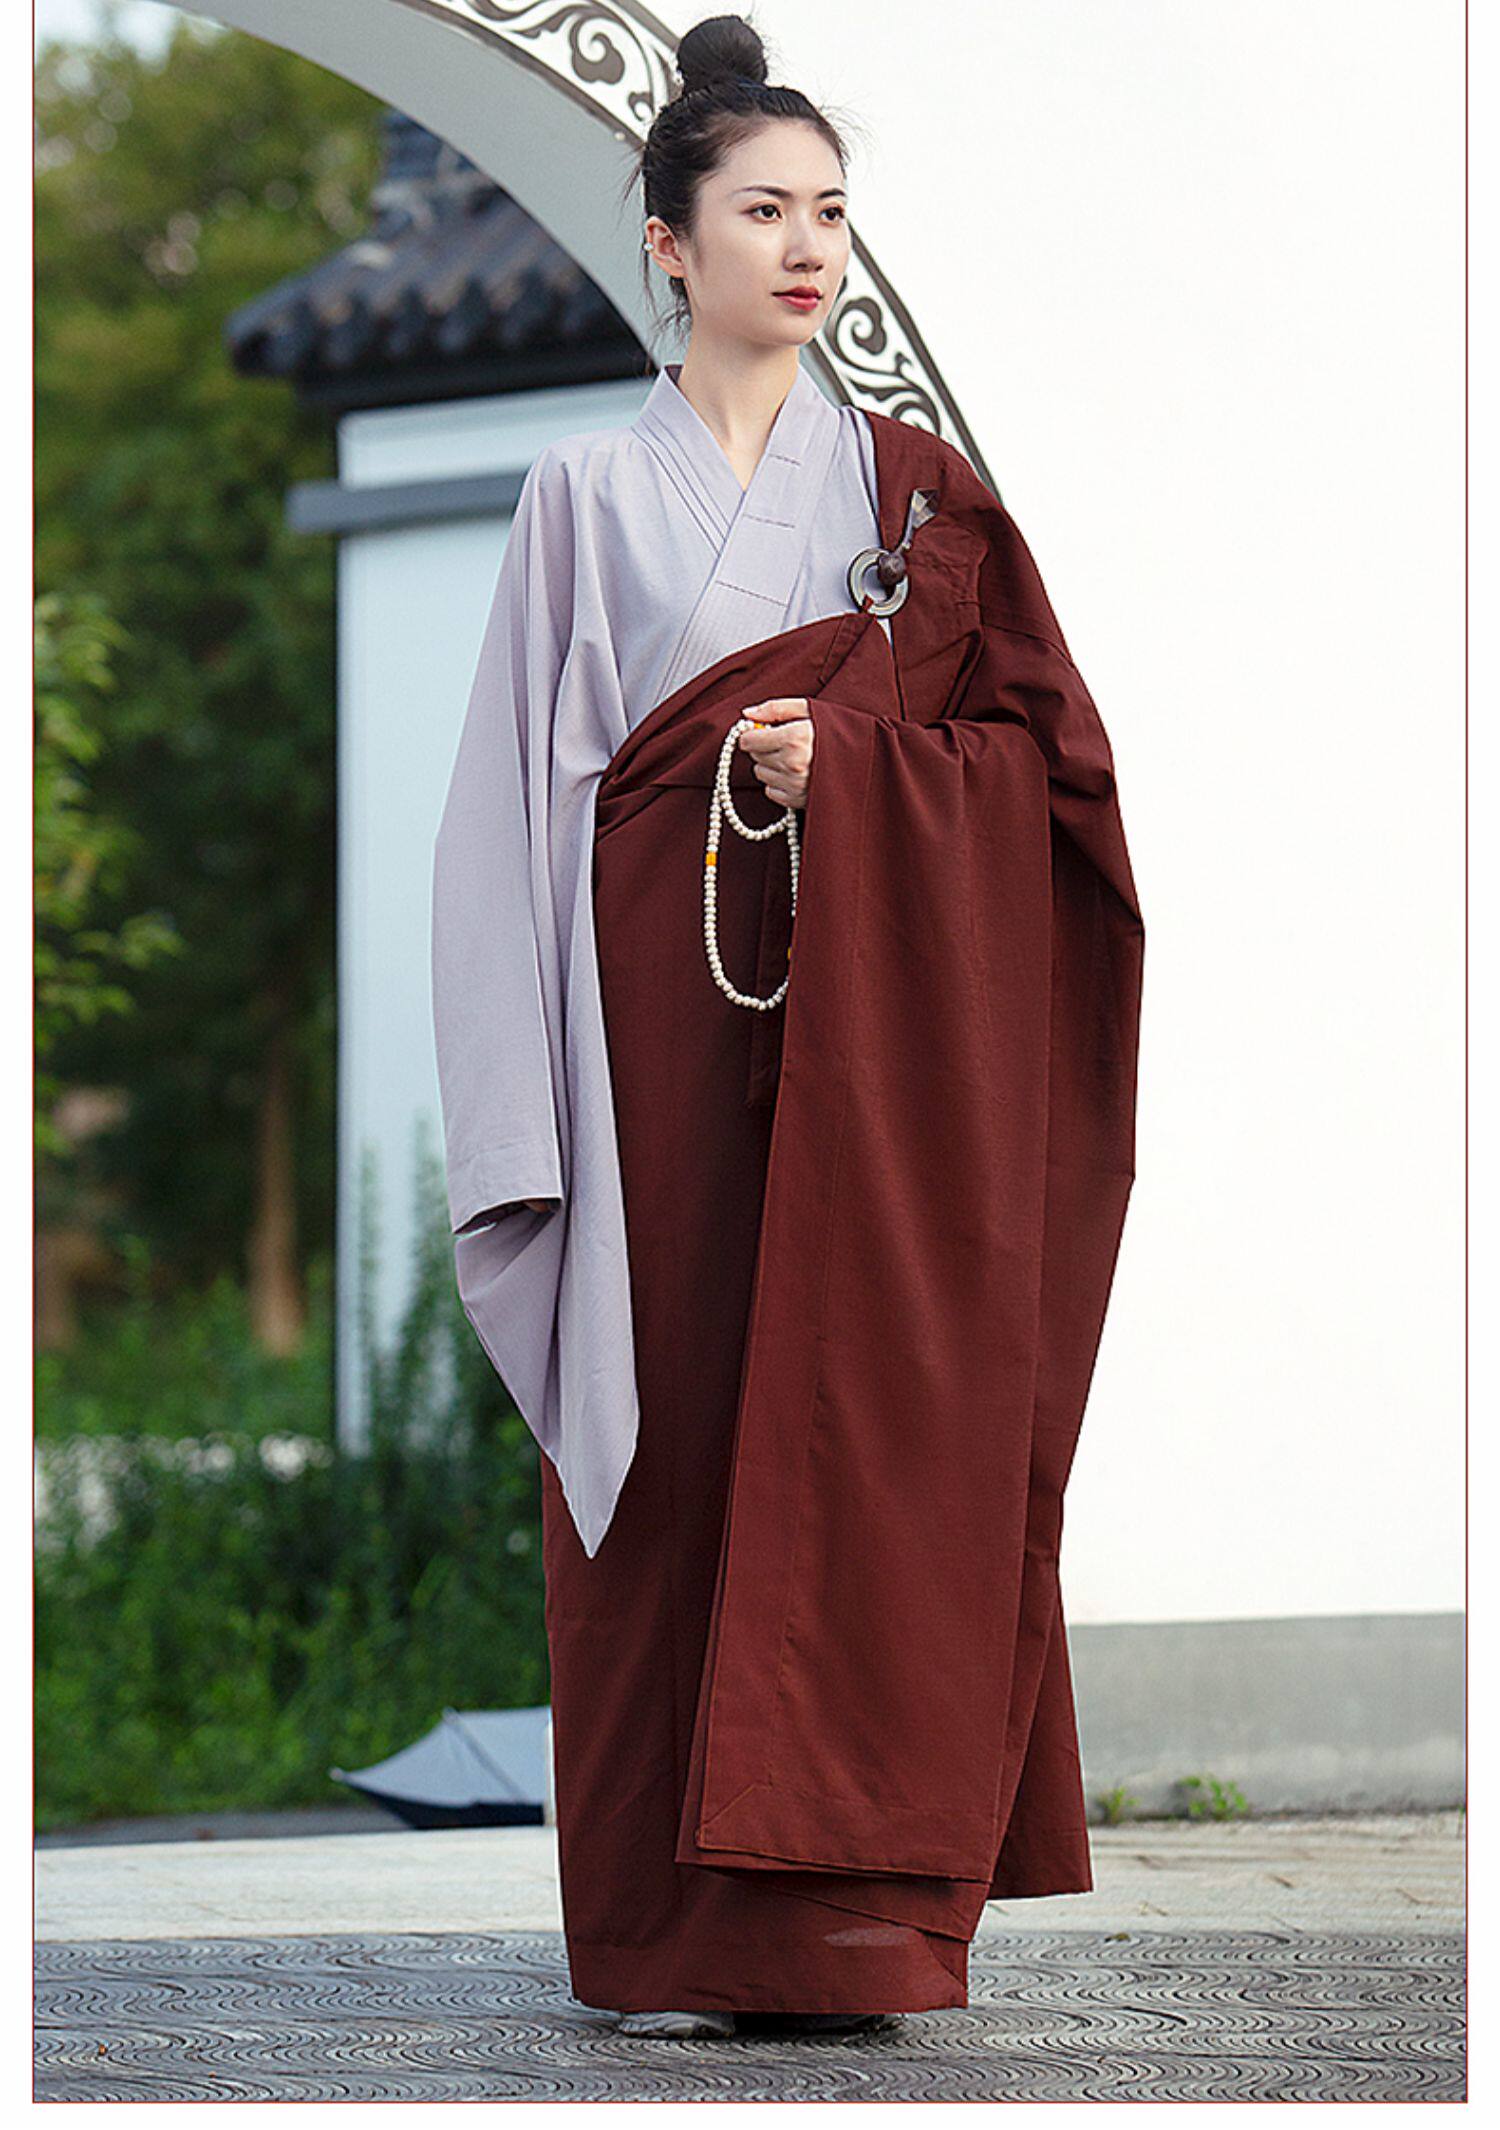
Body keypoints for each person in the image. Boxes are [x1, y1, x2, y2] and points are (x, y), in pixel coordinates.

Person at [431, 11, 1144, 2042]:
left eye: (830, 210)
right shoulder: (582, 494)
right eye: (764, 211)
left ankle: (855, 1934)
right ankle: (674, 1940)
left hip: (879, 1059)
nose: (808, 244)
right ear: (670, 242)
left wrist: (865, 769)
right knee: (670, 1452)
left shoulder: (918, 504)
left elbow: (1057, 786)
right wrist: (526, 1118)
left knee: (865, 1435)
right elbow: (504, 824)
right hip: (658, 1046)